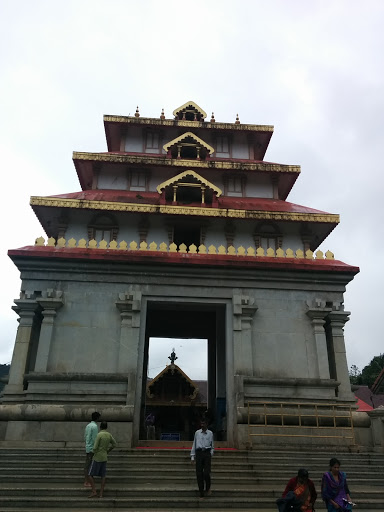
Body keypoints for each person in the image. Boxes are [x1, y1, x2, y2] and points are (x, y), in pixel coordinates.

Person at [88, 421, 117, 499]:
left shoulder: (99, 435)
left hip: (97, 457)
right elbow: (114, 444)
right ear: (106, 427)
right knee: (103, 476)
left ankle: (94, 491)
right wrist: (108, 451)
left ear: (100, 427)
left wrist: (92, 454)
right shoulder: (109, 435)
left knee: (90, 474)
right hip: (104, 457)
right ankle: (101, 493)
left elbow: (95, 447)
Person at [190, 420, 214, 499]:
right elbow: (194, 443)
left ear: (207, 424)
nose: (202, 425)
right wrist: (192, 456)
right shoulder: (197, 433)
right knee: (199, 474)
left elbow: (212, 445)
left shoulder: (210, 433)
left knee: (206, 473)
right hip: (199, 453)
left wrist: (211, 453)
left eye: (204, 423)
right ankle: (201, 493)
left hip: (207, 453)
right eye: (201, 423)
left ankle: (207, 487)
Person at [83, 411, 100, 488]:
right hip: (92, 448)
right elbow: (95, 439)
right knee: (89, 465)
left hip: (87, 447)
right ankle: (87, 481)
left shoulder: (88, 425)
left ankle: (87, 480)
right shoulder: (95, 427)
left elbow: (85, 436)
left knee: (88, 465)